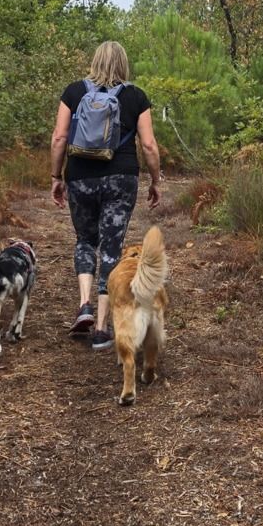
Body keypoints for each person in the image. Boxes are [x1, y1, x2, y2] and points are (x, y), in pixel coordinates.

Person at [50, 40, 162, 350]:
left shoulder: (74, 92)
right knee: (111, 249)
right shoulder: (136, 96)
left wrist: (56, 176)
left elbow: (60, 137)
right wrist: (155, 180)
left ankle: (84, 304)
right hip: (120, 179)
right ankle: (101, 328)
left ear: (95, 61)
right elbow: (149, 145)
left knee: (85, 240)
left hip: (80, 177)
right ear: (124, 64)